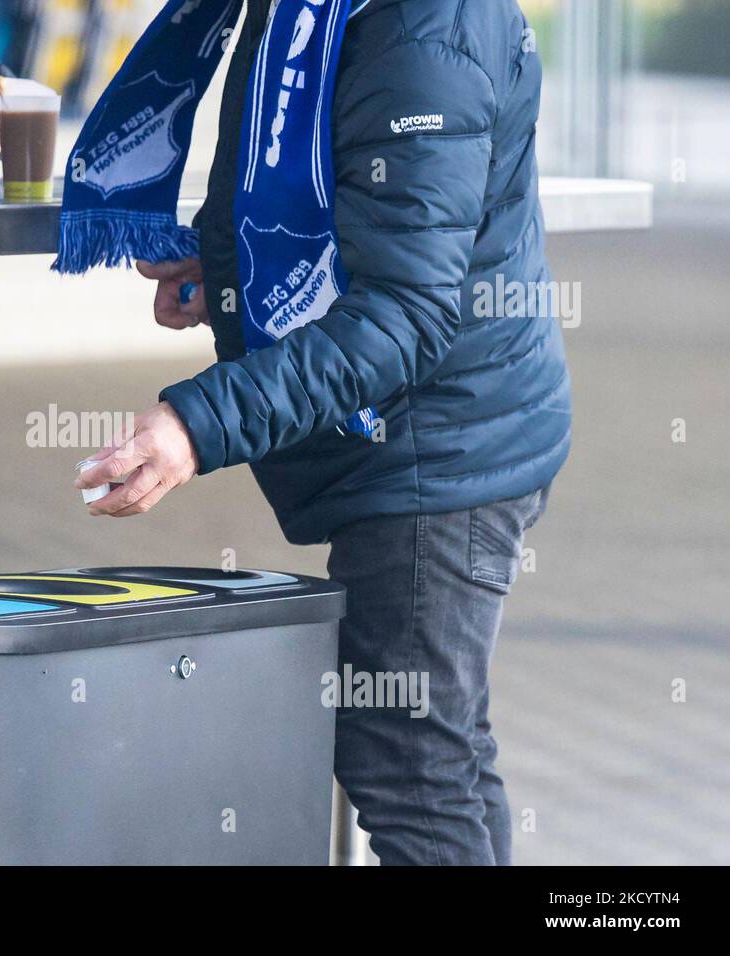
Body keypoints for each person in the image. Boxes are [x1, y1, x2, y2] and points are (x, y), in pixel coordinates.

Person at [74, 0, 568, 865]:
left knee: (408, 764)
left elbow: (407, 313)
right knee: (439, 756)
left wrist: (198, 422)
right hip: (433, 437)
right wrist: (232, 272)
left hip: (435, 457)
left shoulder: (422, 31)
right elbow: (339, 187)